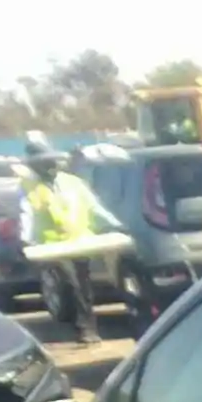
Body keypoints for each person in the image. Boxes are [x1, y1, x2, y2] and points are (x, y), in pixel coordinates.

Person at [18, 135, 121, 345]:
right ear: (35, 165)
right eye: (43, 163)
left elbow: (93, 206)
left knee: (83, 287)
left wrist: (114, 225)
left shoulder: (73, 182)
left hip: (81, 242)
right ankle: (84, 329)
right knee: (71, 284)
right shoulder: (28, 187)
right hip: (55, 247)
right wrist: (25, 239)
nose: (49, 165)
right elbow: (25, 213)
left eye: (51, 161)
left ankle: (89, 326)